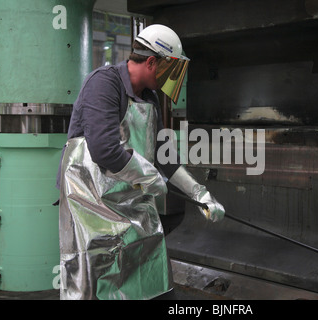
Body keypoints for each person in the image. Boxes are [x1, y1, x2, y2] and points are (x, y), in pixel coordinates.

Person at [57, 24, 225, 300]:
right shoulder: (104, 83)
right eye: (169, 70)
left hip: (133, 204)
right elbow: (105, 150)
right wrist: (149, 178)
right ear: (151, 62)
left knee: (153, 284)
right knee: (94, 290)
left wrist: (200, 194)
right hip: (92, 209)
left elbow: (164, 155)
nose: (171, 78)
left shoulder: (149, 98)